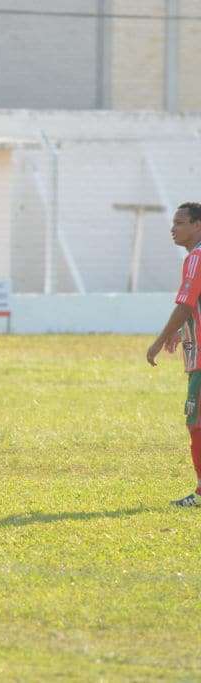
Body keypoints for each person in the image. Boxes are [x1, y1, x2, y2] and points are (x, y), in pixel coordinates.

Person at [147, 201, 201, 507]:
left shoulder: (196, 258)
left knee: (196, 423)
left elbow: (185, 304)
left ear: (197, 225)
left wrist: (160, 339)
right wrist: (184, 332)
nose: (173, 228)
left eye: (180, 223)